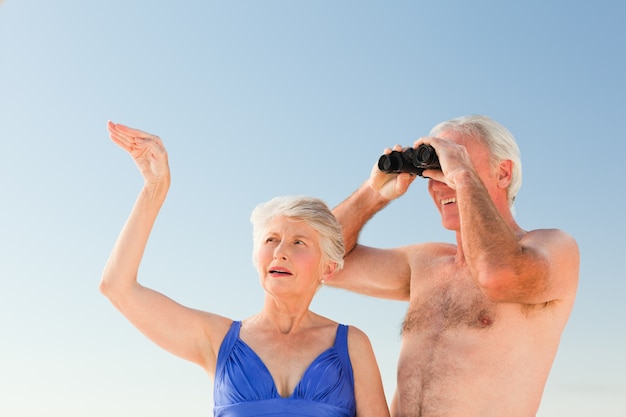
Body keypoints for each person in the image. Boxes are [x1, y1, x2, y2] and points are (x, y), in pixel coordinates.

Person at [100, 121, 390, 417]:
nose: (280, 252)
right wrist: (154, 188)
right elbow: (116, 287)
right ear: (256, 257)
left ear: (328, 269)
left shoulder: (352, 345)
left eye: (298, 242)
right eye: (271, 240)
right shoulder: (218, 339)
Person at [328, 115, 579, 417]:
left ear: (503, 173)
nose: (440, 184)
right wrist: (374, 192)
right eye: (432, 173)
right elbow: (322, 261)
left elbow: (496, 274)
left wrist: (461, 174)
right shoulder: (426, 263)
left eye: (449, 166)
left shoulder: (553, 248)